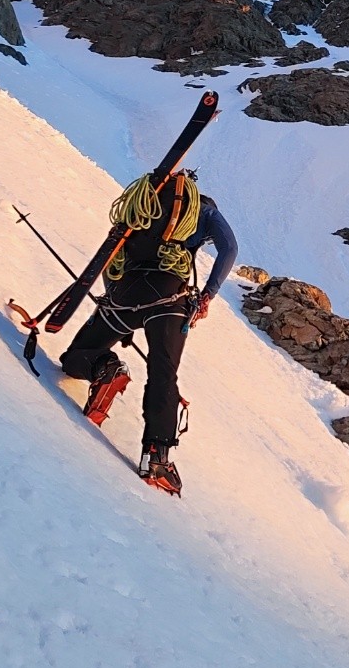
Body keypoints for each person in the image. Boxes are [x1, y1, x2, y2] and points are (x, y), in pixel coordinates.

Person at [60, 173, 237, 494]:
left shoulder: (143, 205)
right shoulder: (207, 212)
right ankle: (156, 458)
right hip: (169, 297)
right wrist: (207, 295)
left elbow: (114, 251)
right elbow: (229, 249)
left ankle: (104, 368)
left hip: (125, 292)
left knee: (75, 358)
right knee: (163, 372)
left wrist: (115, 300)